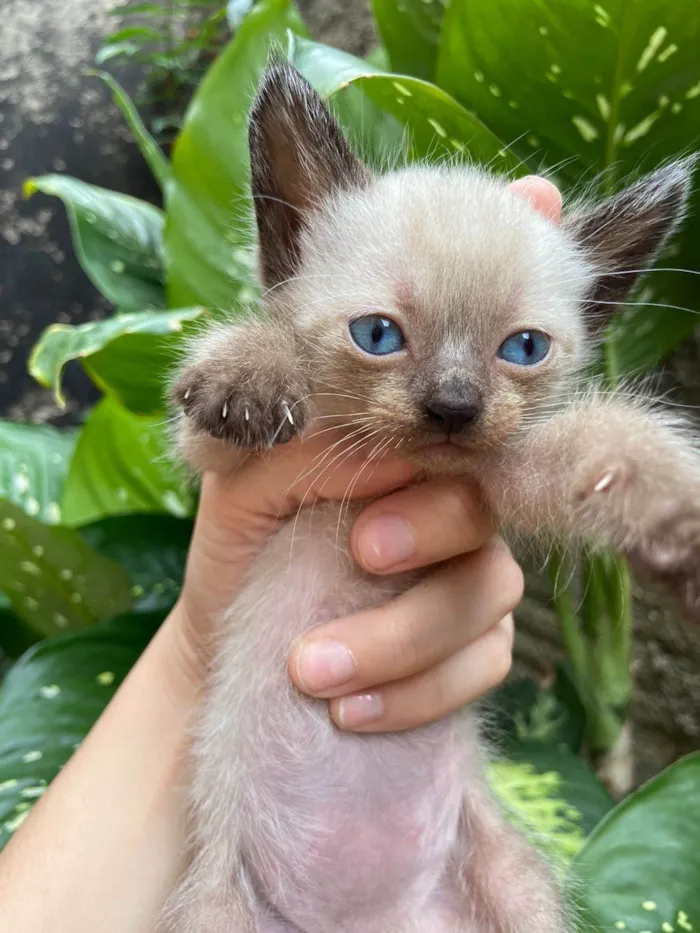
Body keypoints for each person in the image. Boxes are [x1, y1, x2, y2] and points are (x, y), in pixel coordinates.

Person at [0, 176, 562, 932]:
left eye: (522, 349)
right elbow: (215, 425)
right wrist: (197, 644)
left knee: (515, 886)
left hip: (444, 889)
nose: (454, 401)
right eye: (381, 333)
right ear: (289, 247)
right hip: (247, 896)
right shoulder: (302, 356)